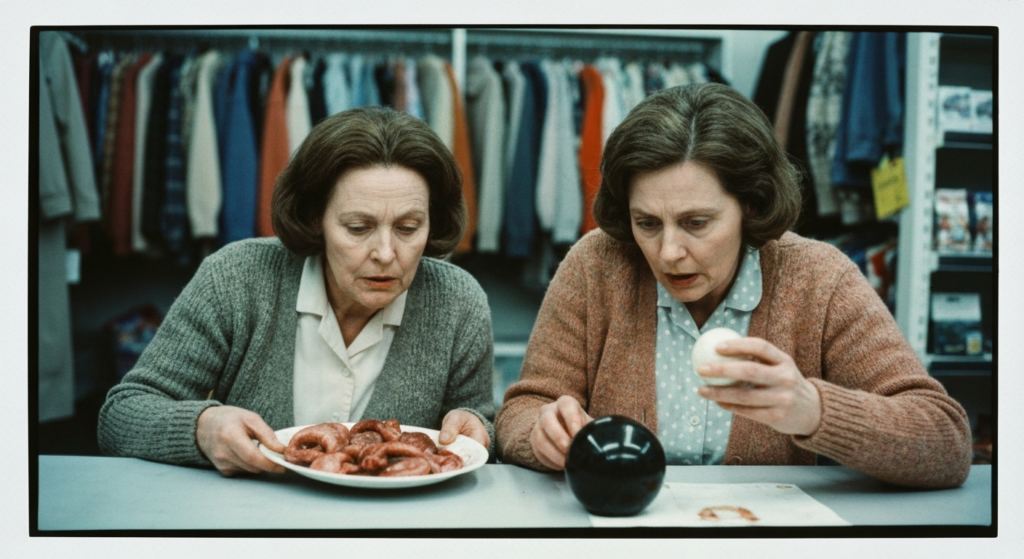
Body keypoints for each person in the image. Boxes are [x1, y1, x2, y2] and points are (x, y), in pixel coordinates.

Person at [495, 83, 972, 489]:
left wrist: (814, 411)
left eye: (697, 222)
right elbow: (522, 408)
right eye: (647, 223)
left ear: (752, 204)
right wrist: (541, 431)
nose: (668, 253)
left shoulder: (819, 278)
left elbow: (946, 441)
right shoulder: (595, 265)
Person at [99, 106, 495, 476]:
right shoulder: (237, 276)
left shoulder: (459, 302)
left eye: (409, 228)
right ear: (314, 218)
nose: (386, 254)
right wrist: (201, 428)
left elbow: (480, 429)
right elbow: (121, 415)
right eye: (358, 228)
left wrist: (478, 428)